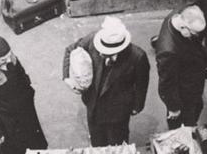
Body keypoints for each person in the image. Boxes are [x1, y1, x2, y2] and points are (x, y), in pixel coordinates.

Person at [62, 17, 150, 146]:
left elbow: (142, 83)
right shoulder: (91, 40)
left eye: (107, 53)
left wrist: (137, 106)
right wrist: (67, 78)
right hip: (93, 105)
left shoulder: (138, 57)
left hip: (118, 112)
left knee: (117, 145)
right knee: (97, 143)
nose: (101, 54)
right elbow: (70, 50)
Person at [0, 35, 47, 154]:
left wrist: (28, 89)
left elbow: (19, 71)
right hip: (8, 119)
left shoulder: (7, 57)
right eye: (3, 60)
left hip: (22, 106)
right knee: (17, 150)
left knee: (33, 139)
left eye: (8, 56)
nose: (8, 61)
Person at [153, 4, 207, 129]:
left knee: (197, 107)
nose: (198, 37)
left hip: (192, 79)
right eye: (195, 34)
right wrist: (173, 107)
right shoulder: (168, 51)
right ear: (184, 28)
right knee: (184, 126)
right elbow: (166, 82)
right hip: (184, 94)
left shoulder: (178, 15)